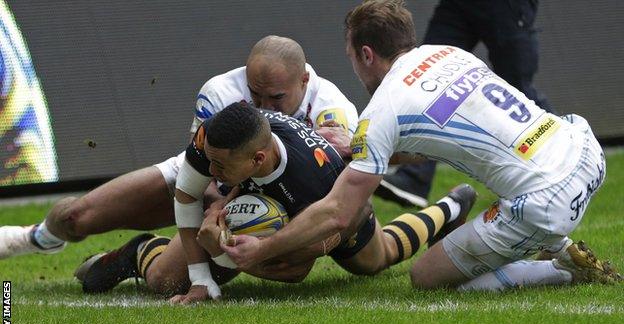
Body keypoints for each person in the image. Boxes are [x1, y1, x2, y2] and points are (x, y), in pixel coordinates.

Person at [219, 0, 622, 292]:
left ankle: (564, 268)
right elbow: (437, 141)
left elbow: (339, 214)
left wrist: (262, 249)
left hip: (545, 199)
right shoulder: (447, 53)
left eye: (352, 58)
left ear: (366, 53)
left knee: (426, 276)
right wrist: (361, 148)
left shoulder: (383, 110)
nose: (354, 68)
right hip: (583, 149)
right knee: (510, 169)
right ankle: (552, 241)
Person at [76, 102, 477, 303]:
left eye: (220, 165)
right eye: (209, 159)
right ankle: (140, 249)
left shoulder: (316, 181)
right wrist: (202, 271)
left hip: (334, 213)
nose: (209, 166)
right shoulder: (215, 140)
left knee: (376, 259)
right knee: (168, 281)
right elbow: (186, 195)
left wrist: (235, 252)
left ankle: (449, 207)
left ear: (257, 160)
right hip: (251, 199)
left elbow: (296, 270)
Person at [0, 35, 357, 260]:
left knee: (166, 280)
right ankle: (38, 238)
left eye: (276, 97)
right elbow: (206, 174)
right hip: (214, 182)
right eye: (255, 94)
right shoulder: (220, 92)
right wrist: (217, 212)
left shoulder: (332, 105)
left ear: (305, 80)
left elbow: (343, 183)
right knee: (77, 217)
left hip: (286, 201)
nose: (263, 105)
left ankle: (139, 256)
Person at [376, 0, 554, 208]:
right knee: (429, 77)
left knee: (517, 89)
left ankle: (570, 156)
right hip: (459, 5)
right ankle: (415, 179)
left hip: (506, 6)